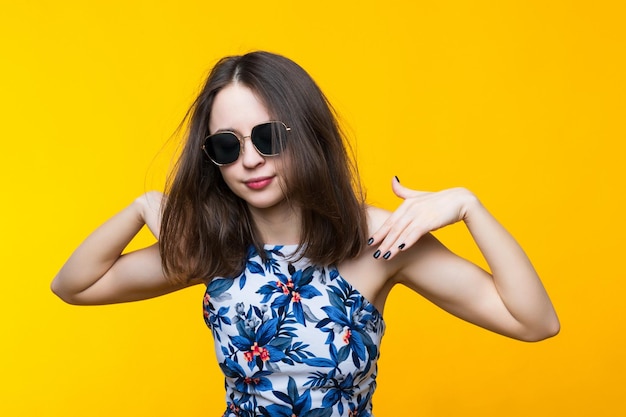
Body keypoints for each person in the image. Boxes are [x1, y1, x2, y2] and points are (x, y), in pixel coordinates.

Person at [52, 51, 559, 417]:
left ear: (308, 133)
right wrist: (142, 208)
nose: (250, 160)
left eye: (268, 138)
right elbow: (73, 286)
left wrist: (470, 207)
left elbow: (535, 322)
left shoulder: (380, 241)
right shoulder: (215, 248)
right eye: (227, 147)